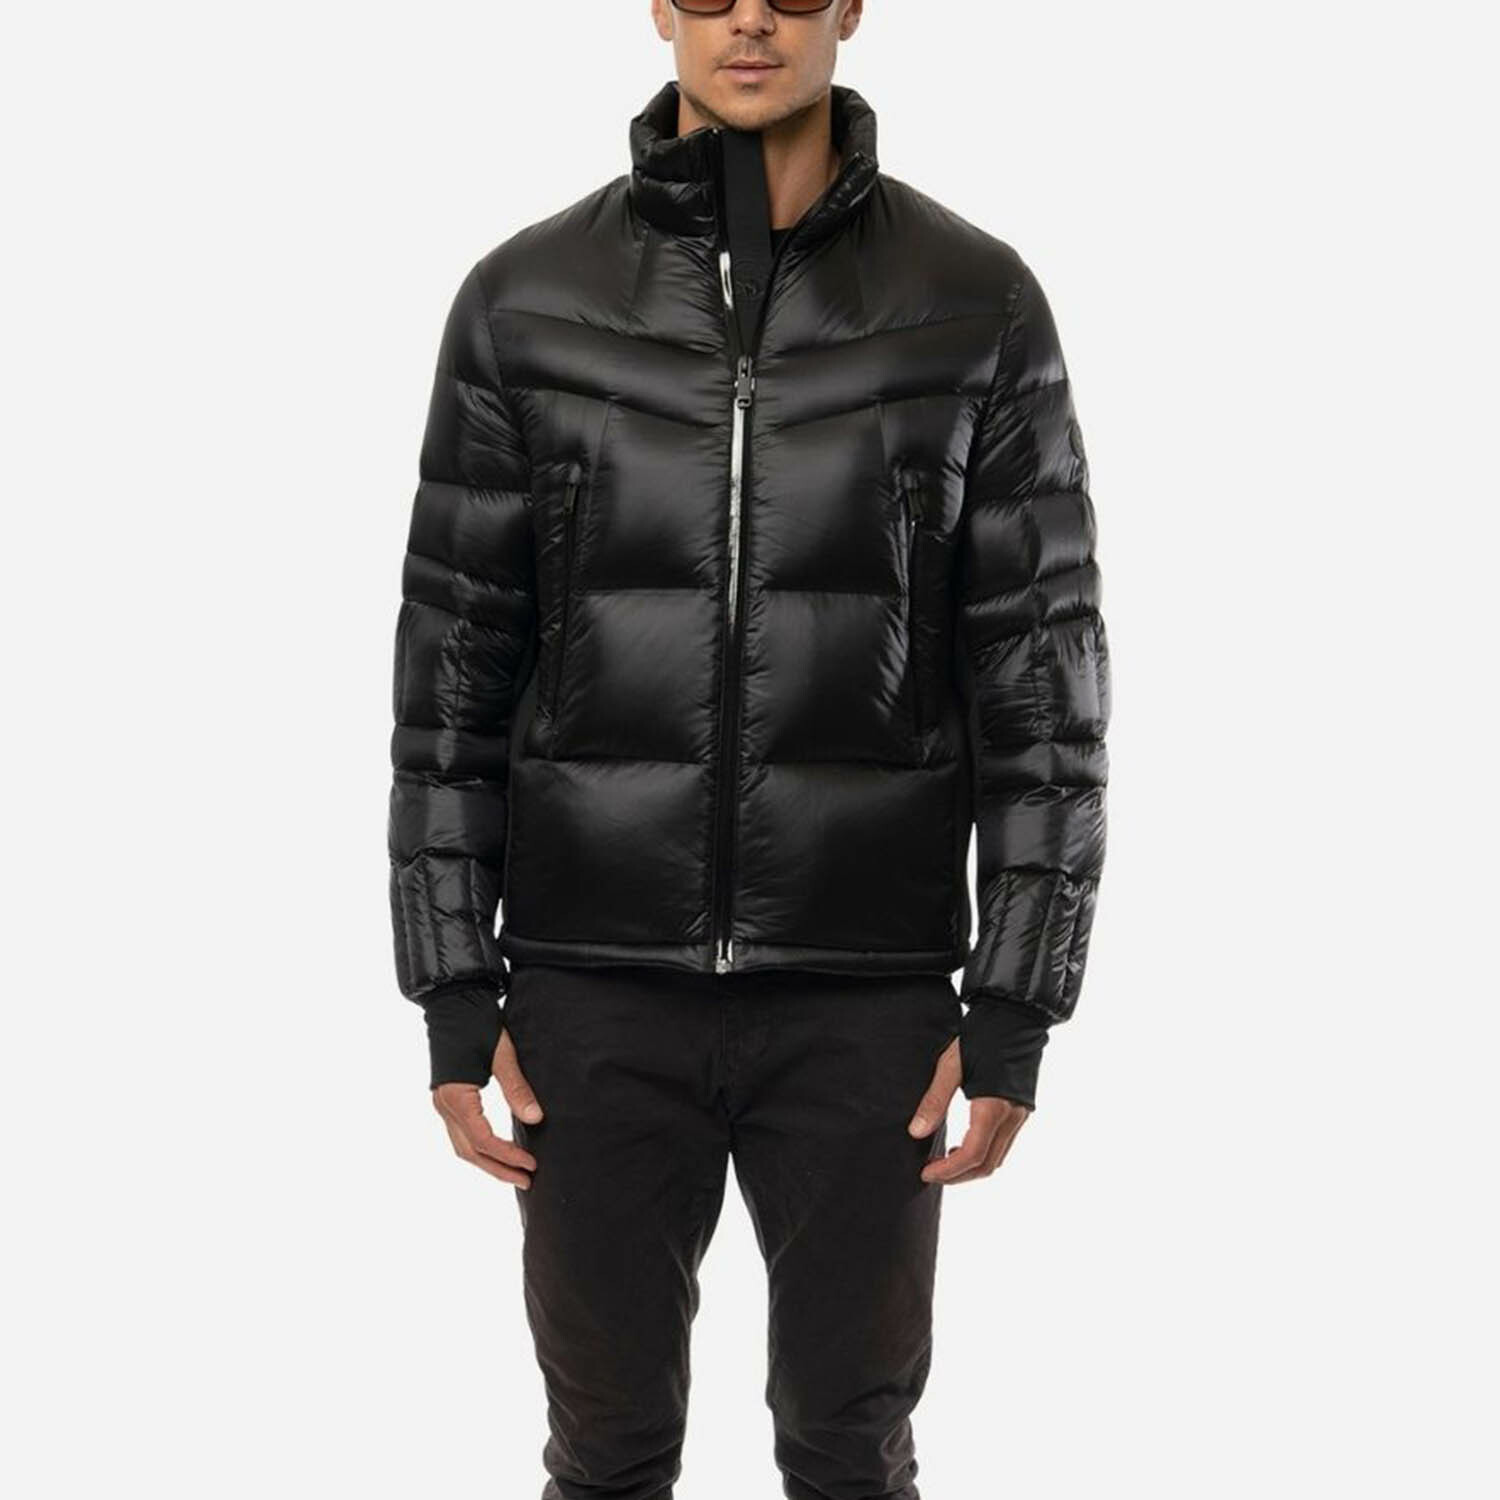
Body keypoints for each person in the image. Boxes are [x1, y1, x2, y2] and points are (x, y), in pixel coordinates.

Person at [387, 2, 1110, 1495]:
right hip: (592, 989)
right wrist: (453, 983)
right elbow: (453, 669)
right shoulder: (525, 302)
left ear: (851, 5)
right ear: (660, 6)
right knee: (605, 1453)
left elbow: (1041, 685)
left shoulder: (974, 302)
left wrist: (1016, 1000)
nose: (752, 18)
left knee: (849, 1450)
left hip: (867, 999)